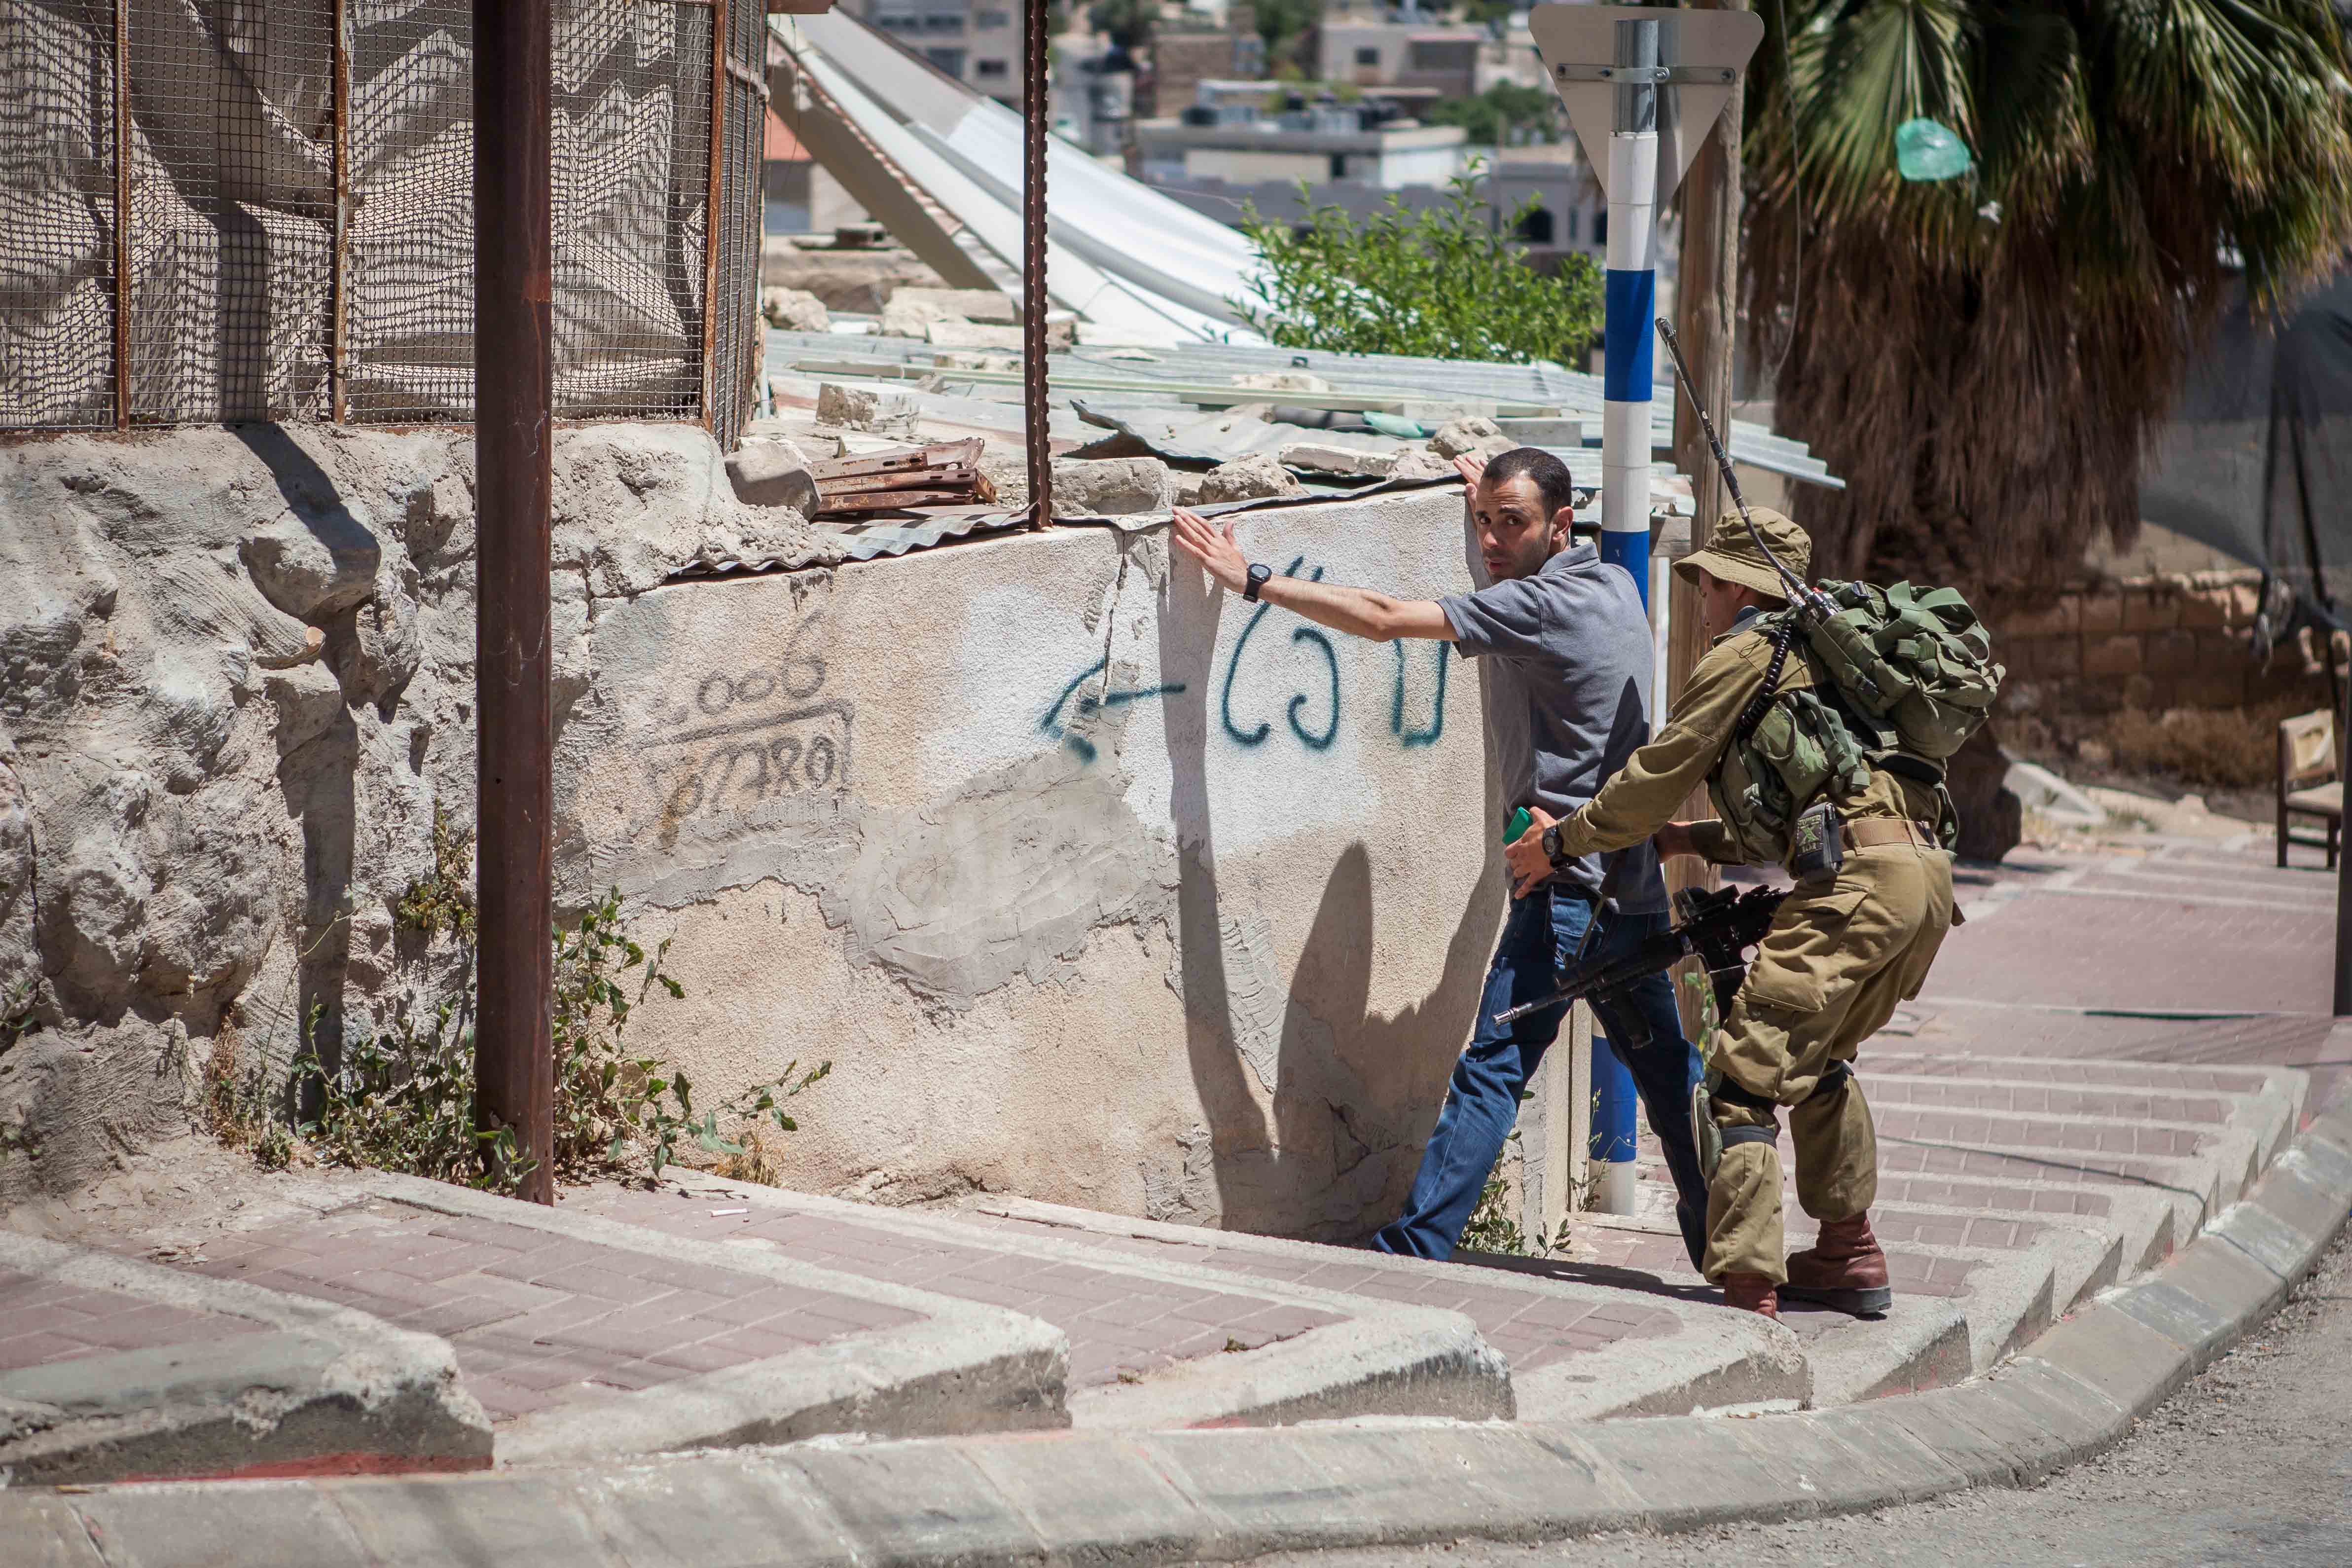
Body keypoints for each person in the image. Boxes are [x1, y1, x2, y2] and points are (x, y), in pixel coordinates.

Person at [1169, 447, 1712, 1269]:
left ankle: (1416, 1249)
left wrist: (1252, 580)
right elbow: (1511, 593)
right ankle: (1736, 1253)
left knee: (1494, 1069)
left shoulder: (1540, 606)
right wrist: (1489, 504)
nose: (1492, 538)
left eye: (1513, 522)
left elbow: (1384, 618)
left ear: (1560, 523)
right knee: (1671, 1088)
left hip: (1562, 886)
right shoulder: (1612, 585)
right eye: (1484, 521)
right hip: (1628, 888)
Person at [1536, 508, 1957, 1318]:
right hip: (1921, 878)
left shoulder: (1748, 652)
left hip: (1855, 886)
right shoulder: (1826, 658)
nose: (1700, 598)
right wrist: (1685, 840)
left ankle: (1748, 1283)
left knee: (1738, 1084)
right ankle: (1847, 1254)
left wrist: (1562, 844)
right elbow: (1809, 807)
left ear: (1731, 585)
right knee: (1818, 1058)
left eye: (1703, 582)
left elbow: (1661, 768)